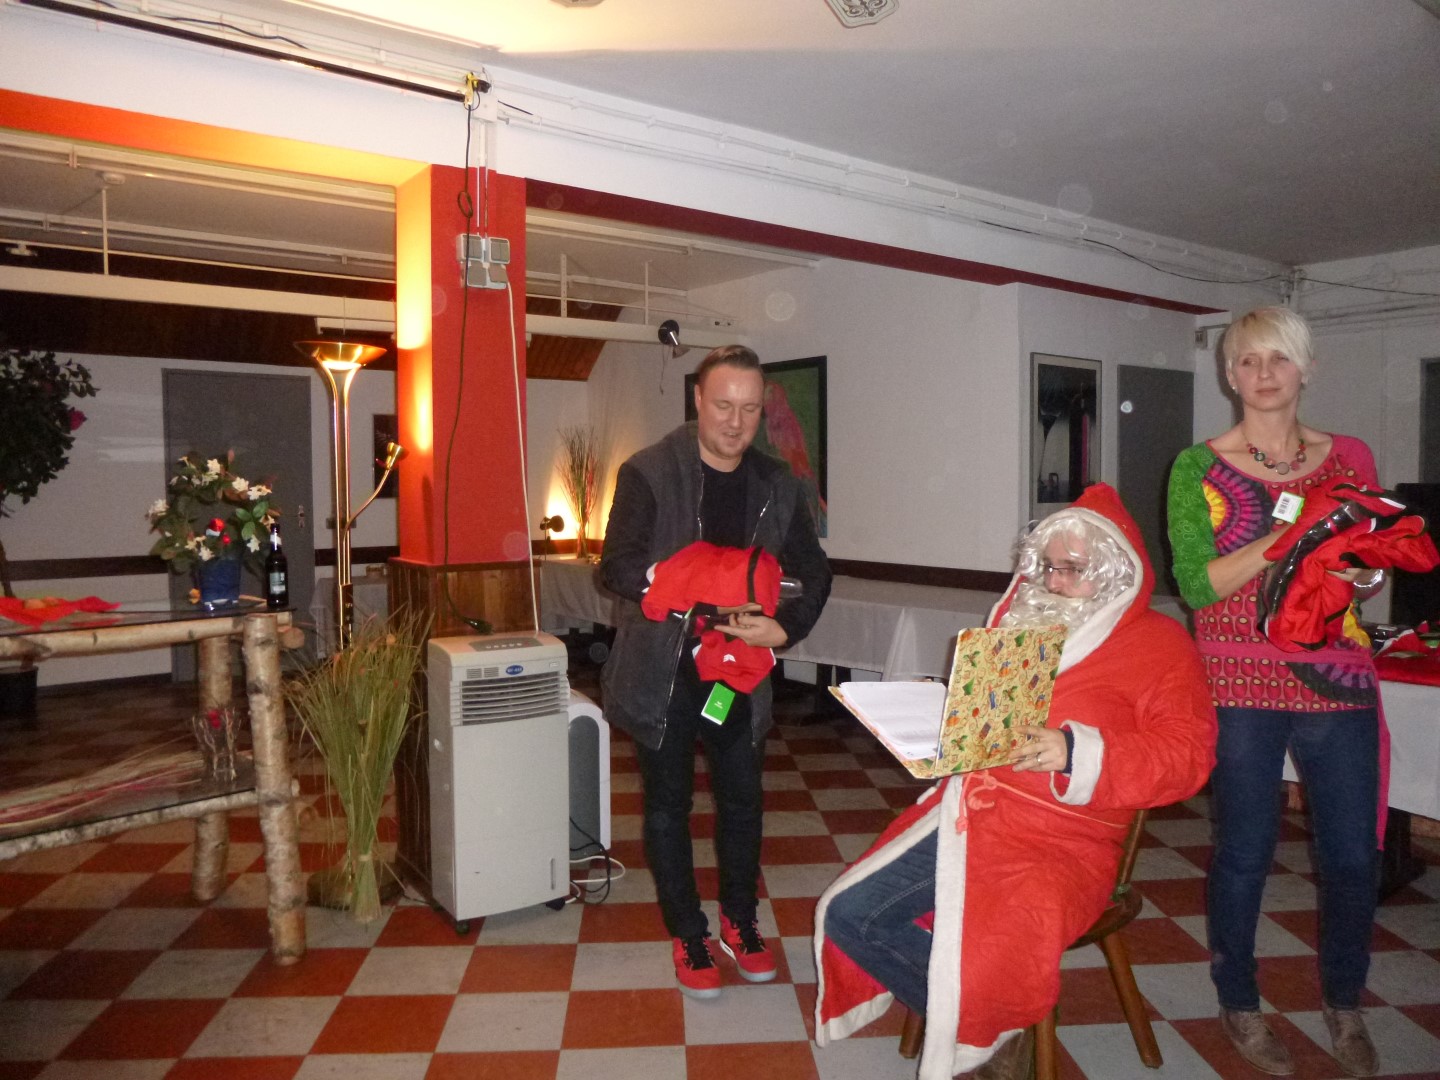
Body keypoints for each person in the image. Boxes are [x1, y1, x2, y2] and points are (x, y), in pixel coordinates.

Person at [814, 483, 1216, 1080]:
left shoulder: (1160, 643)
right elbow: (988, 721)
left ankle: (983, 1024)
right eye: (1048, 567)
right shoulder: (1017, 622)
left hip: (1066, 840)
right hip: (968, 813)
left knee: (985, 960)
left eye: (1072, 569)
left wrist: (1075, 751)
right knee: (848, 913)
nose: (1053, 583)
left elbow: (1189, 757)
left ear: (1114, 572)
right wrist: (946, 721)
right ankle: (993, 1026)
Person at [1167, 306, 1387, 1077]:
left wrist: (1364, 571)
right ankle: (1240, 1001)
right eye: (1249, 360)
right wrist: (1290, 537)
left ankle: (1345, 1003)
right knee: (1244, 853)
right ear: (1229, 374)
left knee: (1353, 857)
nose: (1264, 374)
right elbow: (1198, 585)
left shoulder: (1349, 457)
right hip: (1238, 681)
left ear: (1306, 368)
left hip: (1337, 675)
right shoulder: (1197, 468)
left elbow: (1367, 562)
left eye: (1280, 359)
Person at [599, 344, 832, 998]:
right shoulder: (648, 471)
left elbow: (813, 572)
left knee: (743, 802)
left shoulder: (778, 482)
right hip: (664, 671)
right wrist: (687, 588)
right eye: (724, 405)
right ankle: (689, 931)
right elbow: (615, 566)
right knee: (668, 806)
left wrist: (784, 627)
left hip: (739, 673)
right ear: (698, 400)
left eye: (750, 409)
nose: (736, 422)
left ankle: (739, 919)